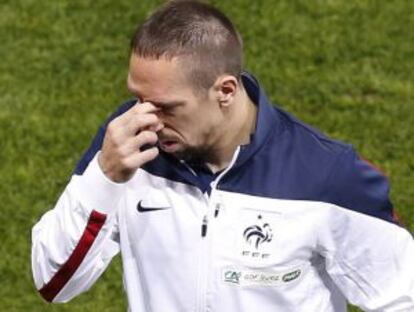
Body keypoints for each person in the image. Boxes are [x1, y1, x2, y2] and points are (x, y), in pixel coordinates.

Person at [31, 1, 414, 311]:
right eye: (138, 98)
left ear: (225, 91)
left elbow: (403, 295)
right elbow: (52, 282)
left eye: (165, 106)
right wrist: (104, 178)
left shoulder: (327, 175)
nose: (146, 117)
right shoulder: (127, 147)